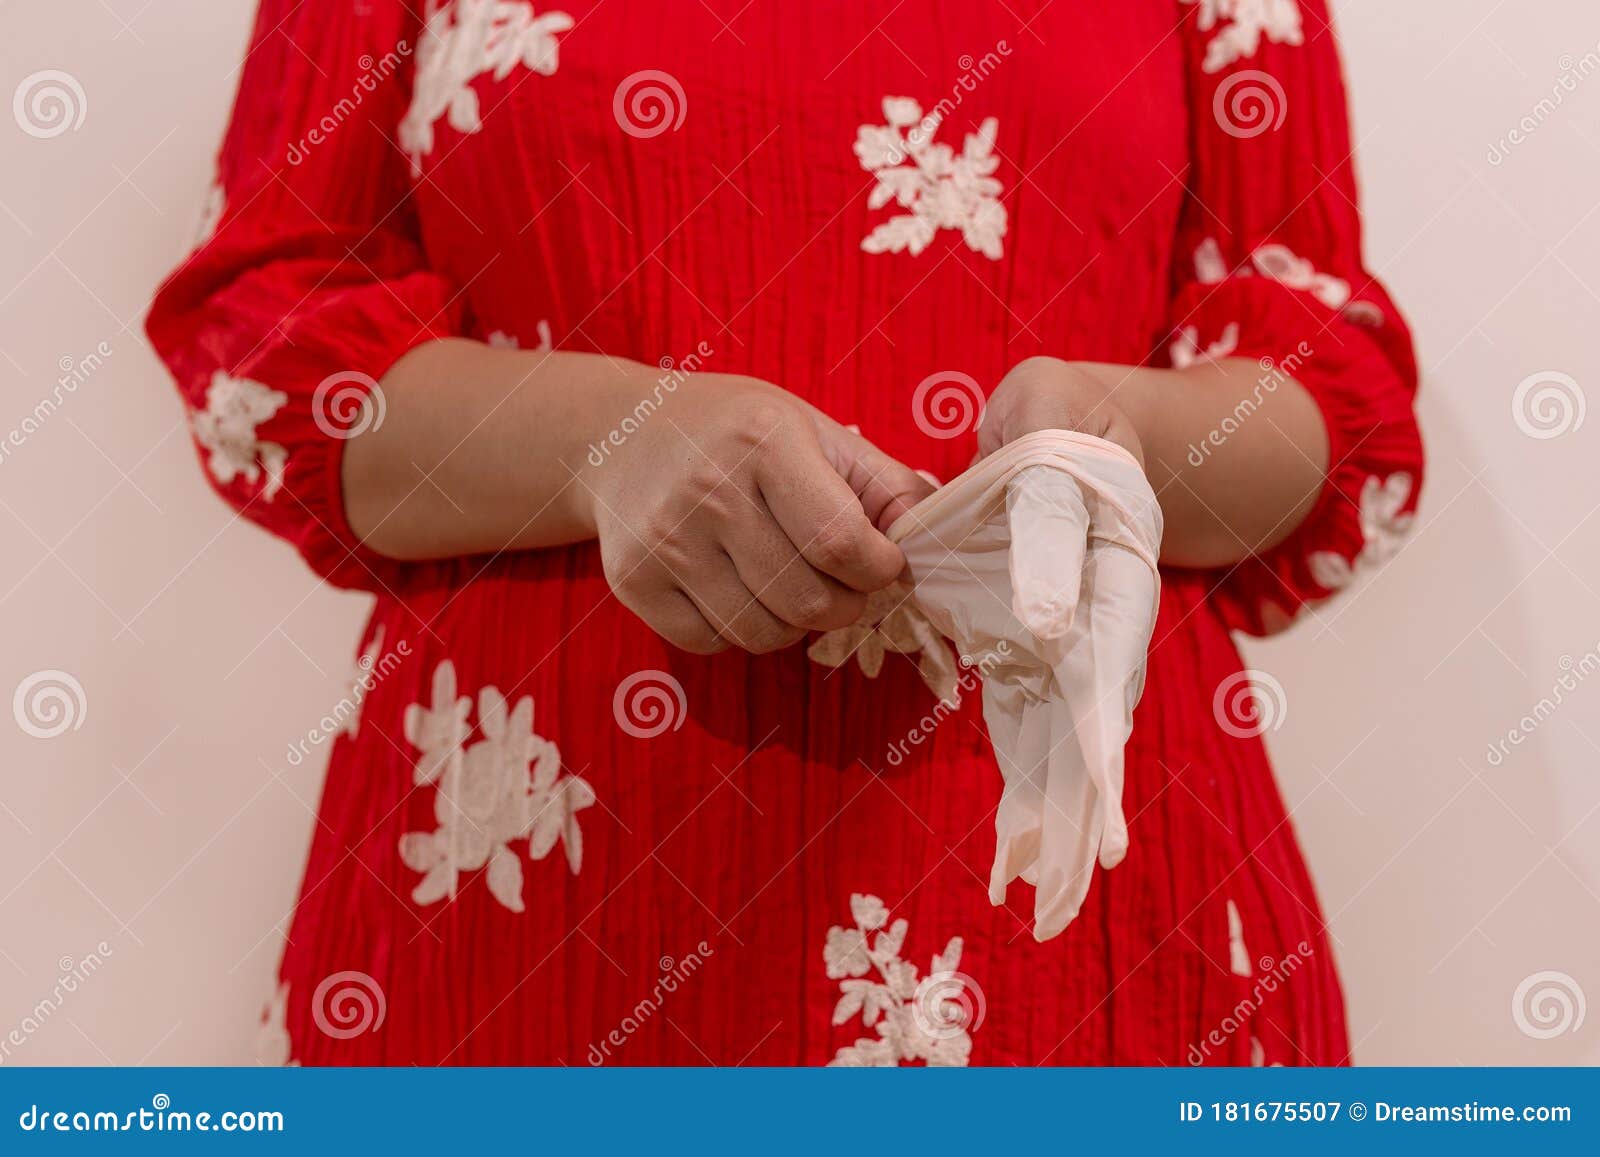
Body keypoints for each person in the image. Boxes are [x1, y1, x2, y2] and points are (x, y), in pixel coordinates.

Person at [147, 0, 1421, 1066]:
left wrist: (1112, 431)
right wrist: (608, 439)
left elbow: (1334, 406)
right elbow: (262, 350)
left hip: (1076, 910)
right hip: (535, 905)